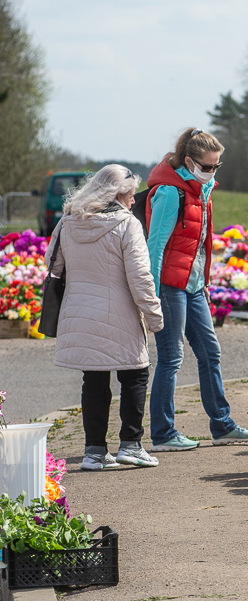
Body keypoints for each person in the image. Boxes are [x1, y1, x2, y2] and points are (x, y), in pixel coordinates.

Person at [145, 128, 248, 451]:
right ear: (189, 161)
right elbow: (155, 247)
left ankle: (221, 425)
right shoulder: (170, 192)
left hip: (193, 285)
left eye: (216, 167)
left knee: (210, 352)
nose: (211, 172)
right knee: (171, 357)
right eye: (206, 166)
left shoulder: (201, 191)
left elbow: (200, 246)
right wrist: (151, 294)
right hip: (169, 286)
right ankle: (163, 434)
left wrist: (204, 284)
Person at [45, 165, 164, 470]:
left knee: (94, 380)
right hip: (120, 312)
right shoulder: (127, 225)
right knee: (135, 374)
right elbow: (140, 278)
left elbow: (52, 264)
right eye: (129, 194)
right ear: (117, 195)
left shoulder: (69, 220)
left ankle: (94, 452)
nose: (134, 200)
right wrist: (155, 317)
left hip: (80, 312)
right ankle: (131, 445)